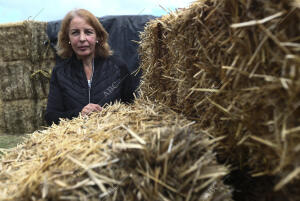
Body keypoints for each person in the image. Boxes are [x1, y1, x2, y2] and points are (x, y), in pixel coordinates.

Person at [45, 9, 136, 125]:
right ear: (67, 38)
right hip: (74, 140)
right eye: (75, 33)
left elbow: (133, 108)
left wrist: (111, 116)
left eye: (88, 32)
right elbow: (51, 116)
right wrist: (79, 114)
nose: (82, 39)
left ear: (98, 36)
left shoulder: (118, 67)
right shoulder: (60, 72)